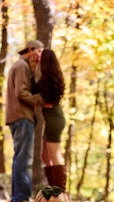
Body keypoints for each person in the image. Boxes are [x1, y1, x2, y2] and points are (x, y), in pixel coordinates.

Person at [6, 40, 44, 202]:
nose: (40, 55)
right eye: (39, 51)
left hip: (17, 116)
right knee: (24, 159)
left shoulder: (21, 66)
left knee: (19, 158)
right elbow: (21, 92)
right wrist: (39, 100)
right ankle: (21, 198)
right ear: (30, 50)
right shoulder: (22, 66)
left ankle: (17, 197)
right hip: (22, 116)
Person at [33, 49, 67, 190]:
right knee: (45, 157)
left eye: (41, 57)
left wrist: (34, 68)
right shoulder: (49, 76)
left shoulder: (47, 79)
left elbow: (33, 89)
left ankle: (60, 192)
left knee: (55, 156)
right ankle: (54, 189)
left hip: (54, 120)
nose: (38, 58)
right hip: (53, 119)